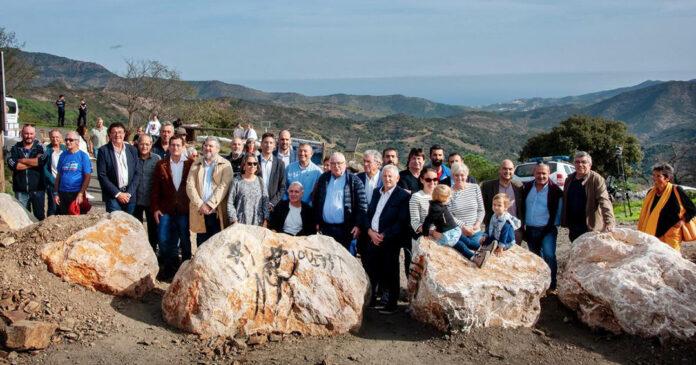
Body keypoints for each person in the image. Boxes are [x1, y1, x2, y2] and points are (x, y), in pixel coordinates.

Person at [365, 165, 410, 314]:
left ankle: (392, 304)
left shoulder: (402, 196)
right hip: (373, 238)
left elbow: (401, 221)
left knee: (391, 271)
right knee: (371, 270)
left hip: (390, 240)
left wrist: (384, 235)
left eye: (390, 176)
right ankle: (370, 300)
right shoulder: (377, 193)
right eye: (384, 176)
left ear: (397, 178)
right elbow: (370, 214)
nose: (387, 179)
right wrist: (370, 232)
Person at [151, 135, 193, 280]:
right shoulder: (161, 164)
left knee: (185, 239)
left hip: (183, 209)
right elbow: (155, 188)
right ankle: (169, 266)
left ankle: (186, 268)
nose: (175, 148)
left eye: (178, 145)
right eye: (172, 145)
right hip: (165, 209)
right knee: (163, 239)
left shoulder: (191, 164)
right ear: (169, 146)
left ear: (183, 147)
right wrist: (155, 208)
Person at [422, 185, 490, 267]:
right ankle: (474, 258)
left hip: (453, 230)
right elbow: (427, 221)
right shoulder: (435, 209)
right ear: (442, 198)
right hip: (448, 235)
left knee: (467, 241)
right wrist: (426, 233)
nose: (450, 199)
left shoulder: (441, 205)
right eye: (448, 197)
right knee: (461, 245)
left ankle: (483, 249)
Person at [313, 152, 368, 250]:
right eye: (333, 163)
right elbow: (317, 201)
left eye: (339, 163)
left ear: (345, 164)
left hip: (345, 230)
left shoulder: (354, 181)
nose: (336, 166)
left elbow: (362, 205)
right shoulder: (324, 178)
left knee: (345, 261)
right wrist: (317, 220)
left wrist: (358, 225)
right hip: (326, 229)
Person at [637, 163, 696, 252]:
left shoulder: (676, 191)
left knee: (673, 258)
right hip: (654, 233)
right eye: (654, 175)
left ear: (667, 178)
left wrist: (682, 221)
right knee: (655, 257)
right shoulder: (651, 193)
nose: (655, 179)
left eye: (658, 176)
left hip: (672, 232)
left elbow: (692, 209)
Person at [186, 137, 233, 245]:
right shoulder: (196, 164)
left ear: (217, 148)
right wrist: (201, 205)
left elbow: (224, 186)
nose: (207, 148)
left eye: (211, 146)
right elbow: (190, 186)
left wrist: (210, 205)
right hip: (201, 212)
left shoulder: (225, 165)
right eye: (205, 145)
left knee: (217, 245)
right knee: (201, 244)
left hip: (217, 213)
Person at [523, 163, 563, 291]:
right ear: (534, 174)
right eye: (538, 173)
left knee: (549, 255)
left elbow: (559, 210)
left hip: (547, 229)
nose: (541, 176)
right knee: (535, 258)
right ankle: (539, 284)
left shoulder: (555, 190)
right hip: (530, 229)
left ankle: (552, 285)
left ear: (549, 174)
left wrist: (554, 224)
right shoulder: (527, 187)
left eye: (544, 173)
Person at [561, 151, 615, 242]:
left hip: (590, 226)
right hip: (573, 226)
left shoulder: (596, 179)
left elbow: (604, 200)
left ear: (590, 164)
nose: (580, 164)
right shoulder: (569, 179)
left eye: (583, 162)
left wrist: (609, 221)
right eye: (577, 162)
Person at [97, 122, 141, 214]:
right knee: (115, 225)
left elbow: (137, 173)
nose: (118, 135)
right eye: (114, 132)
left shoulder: (132, 150)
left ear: (124, 134)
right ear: (109, 135)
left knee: (129, 225)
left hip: (130, 195)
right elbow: (102, 176)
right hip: (113, 196)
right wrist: (118, 194)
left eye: (120, 132)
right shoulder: (103, 151)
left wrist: (128, 193)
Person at [6, 125, 46, 220]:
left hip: (38, 189)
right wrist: (34, 162)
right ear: (22, 134)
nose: (29, 136)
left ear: (35, 134)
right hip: (21, 190)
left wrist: (21, 160)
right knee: (22, 217)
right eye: (26, 133)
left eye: (31, 133)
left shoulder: (41, 148)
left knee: (39, 217)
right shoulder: (14, 148)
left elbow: (40, 162)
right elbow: (15, 166)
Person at [481, 159, 525, 243]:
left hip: (514, 230)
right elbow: (482, 206)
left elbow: (522, 207)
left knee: (514, 255)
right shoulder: (488, 186)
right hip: (494, 230)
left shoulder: (519, 187)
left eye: (510, 169)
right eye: (504, 168)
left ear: (514, 170)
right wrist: (487, 222)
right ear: (499, 170)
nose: (507, 171)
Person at [447, 163, 485, 259]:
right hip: (459, 232)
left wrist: (476, 225)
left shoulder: (475, 188)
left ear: (467, 175)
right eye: (456, 175)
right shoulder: (448, 192)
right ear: (452, 176)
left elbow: (481, 210)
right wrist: (463, 227)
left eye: (462, 175)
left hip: (475, 231)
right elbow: (449, 215)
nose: (459, 178)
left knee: (479, 249)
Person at [134, 134, 161, 252]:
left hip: (151, 201)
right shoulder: (132, 157)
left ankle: (152, 252)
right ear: (137, 144)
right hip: (135, 200)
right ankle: (138, 252)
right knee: (136, 229)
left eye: (147, 144)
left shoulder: (157, 159)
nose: (144, 146)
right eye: (141, 144)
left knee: (153, 229)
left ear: (151, 145)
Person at [54, 131, 92, 215]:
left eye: (70, 140)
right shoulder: (63, 155)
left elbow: (87, 176)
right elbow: (58, 175)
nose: (67, 142)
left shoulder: (83, 156)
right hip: (63, 192)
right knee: (63, 217)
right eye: (66, 139)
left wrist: (81, 193)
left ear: (77, 141)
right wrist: (56, 193)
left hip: (76, 192)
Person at [227, 154, 269, 226]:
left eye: (255, 164)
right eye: (249, 164)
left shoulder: (260, 181)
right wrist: (234, 221)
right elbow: (230, 202)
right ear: (244, 166)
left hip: (258, 223)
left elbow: (265, 202)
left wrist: (266, 219)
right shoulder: (236, 181)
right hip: (241, 223)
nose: (252, 166)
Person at [258, 132, 287, 210]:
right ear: (261, 144)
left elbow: (282, 187)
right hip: (255, 203)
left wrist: (272, 203)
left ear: (274, 146)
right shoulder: (254, 161)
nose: (268, 145)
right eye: (266, 142)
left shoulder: (280, 164)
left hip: (273, 206)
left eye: (271, 143)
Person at [43, 130, 67, 217]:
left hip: (64, 183)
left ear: (60, 138)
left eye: (57, 137)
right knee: (53, 206)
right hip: (52, 183)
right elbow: (44, 168)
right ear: (50, 138)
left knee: (63, 206)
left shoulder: (64, 149)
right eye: (53, 137)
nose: (55, 139)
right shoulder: (47, 150)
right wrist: (53, 181)